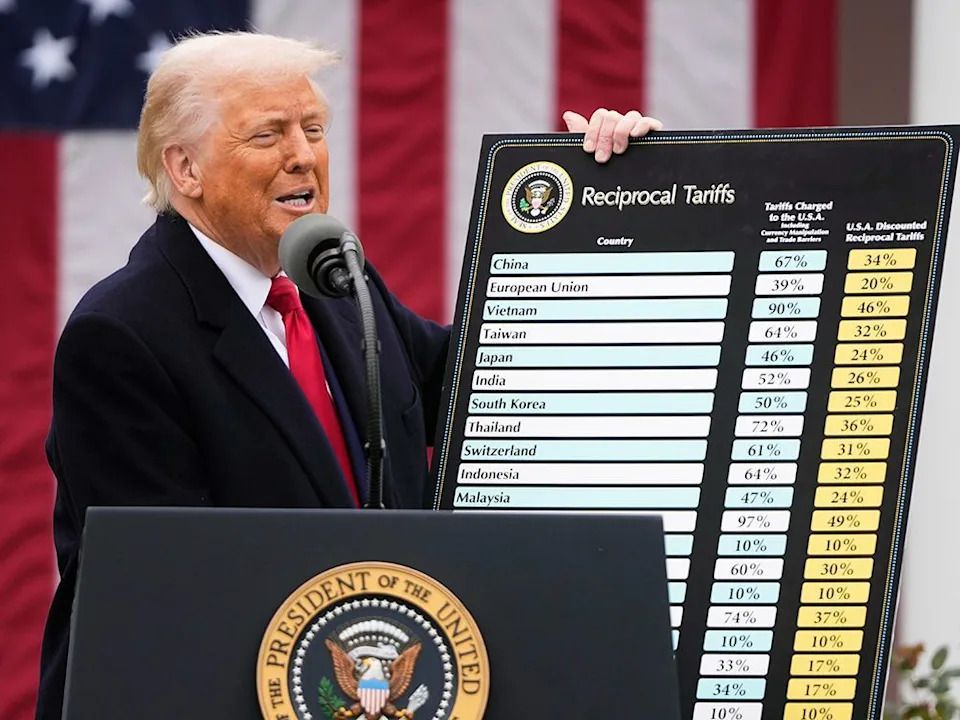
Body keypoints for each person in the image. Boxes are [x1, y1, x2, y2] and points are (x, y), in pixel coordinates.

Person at [35, 31, 662, 719]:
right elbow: (168, 586)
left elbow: (481, 381)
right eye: (269, 134)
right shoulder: (122, 334)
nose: (303, 155)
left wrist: (612, 204)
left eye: (312, 128)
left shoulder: (334, 278)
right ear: (185, 168)